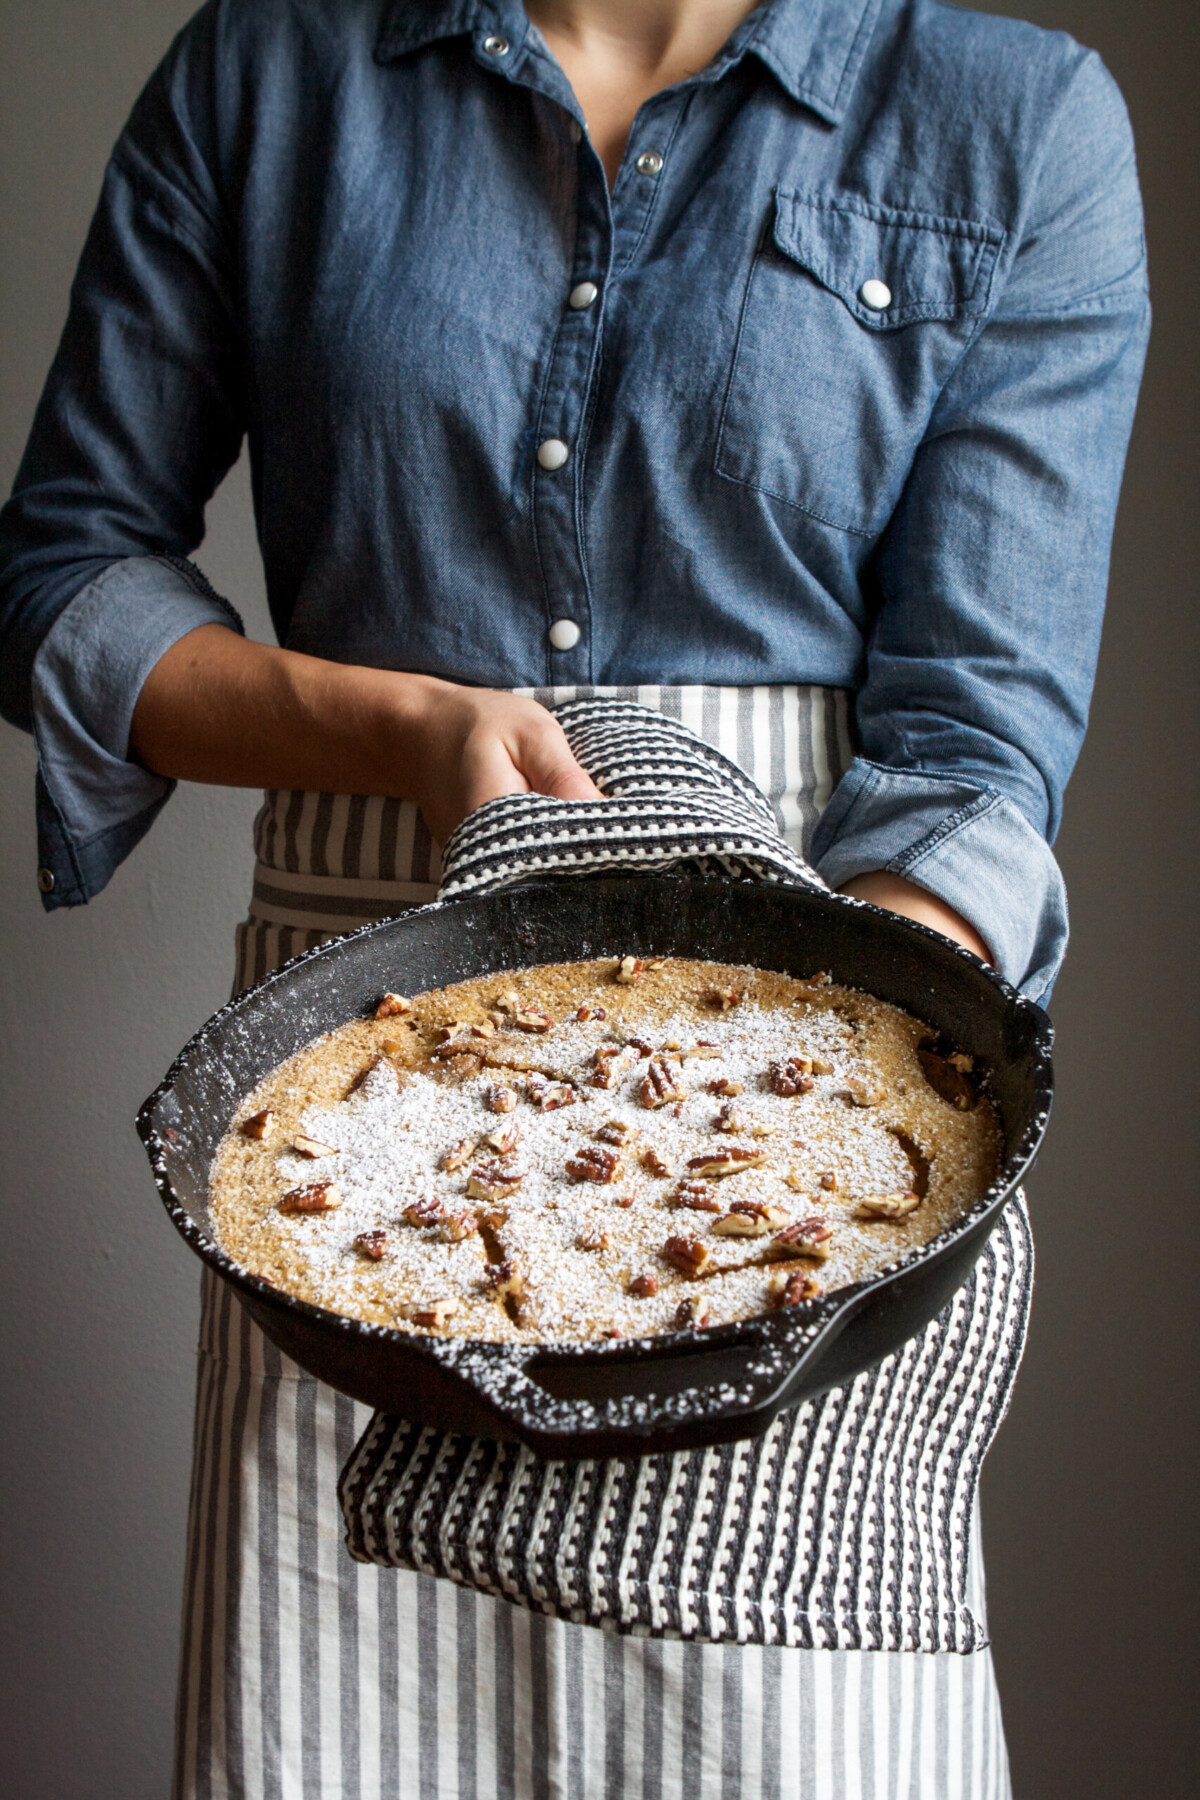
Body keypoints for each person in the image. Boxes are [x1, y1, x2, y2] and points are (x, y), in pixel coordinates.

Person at [0, 0, 1147, 1793]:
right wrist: (413, 728)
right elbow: (65, 577)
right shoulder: (273, 74)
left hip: (807, 1028)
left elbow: (980, 738)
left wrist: (807, 1091)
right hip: (364, 1069)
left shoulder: (1010, 117)